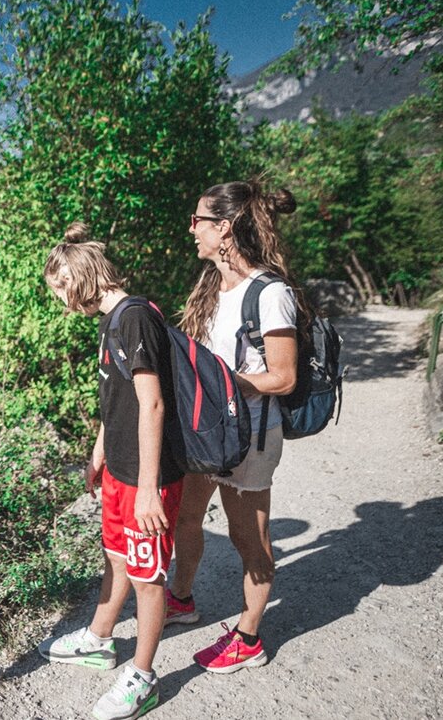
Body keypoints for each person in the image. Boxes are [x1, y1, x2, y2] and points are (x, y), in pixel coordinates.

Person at [38, 223, 185, 720]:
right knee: (117, 557)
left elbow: (153, 404)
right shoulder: (111, 321)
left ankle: (143, 677)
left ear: (78, 278)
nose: (62, 303)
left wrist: (148, 489)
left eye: (61, 290)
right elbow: (115, 399)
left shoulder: (135, 318)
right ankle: (100, 639)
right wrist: (99, 453)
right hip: (120, 470)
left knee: (148, 577)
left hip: (149, 476)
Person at [164, 179, 304, 674]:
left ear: (224, 228)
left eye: (198, 220)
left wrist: (222, 385)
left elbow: (283, 376)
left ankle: (248, 637)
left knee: (249, 538)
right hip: (207, 432)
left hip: (251, 437)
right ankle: (181, 599)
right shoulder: (210, 287)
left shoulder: (271, 293)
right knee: (187, 518)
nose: (191, 229)